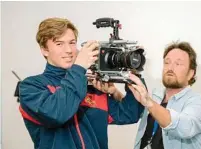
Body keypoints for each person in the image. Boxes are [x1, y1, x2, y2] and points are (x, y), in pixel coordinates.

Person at [19, 17, 144, 149]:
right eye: (59, 44)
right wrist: (79, 67)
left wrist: (131, 71)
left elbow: (130, 114)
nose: (68, 50)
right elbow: (57, 114)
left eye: (72, 43)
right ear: (44, 49)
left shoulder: (91, 86)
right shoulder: (31, 87)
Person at [128, 41, 201, 149]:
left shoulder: (198, 103)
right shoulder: (155, 96)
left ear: (191, 73)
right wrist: (115, 93)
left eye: (178, 64)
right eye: (167, 62)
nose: (170, 68)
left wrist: (148, 102)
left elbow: (184, 127)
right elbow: (132, 114)